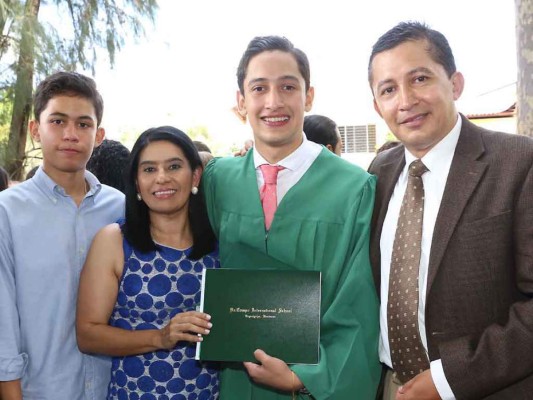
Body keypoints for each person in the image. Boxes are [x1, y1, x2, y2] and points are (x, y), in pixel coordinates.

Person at [203, 35, 381, 399]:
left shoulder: (353, 188)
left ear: (308, 96)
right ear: (241, 102)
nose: (273, 102)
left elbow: (359, 301)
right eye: (259, 88)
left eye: (288, 86)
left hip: (313, 382)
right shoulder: (218, 180)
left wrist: (306, 378)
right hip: (231, 383)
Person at [367, 21, 533, 400]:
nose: (406, 100)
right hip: (391, 386)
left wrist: (449, 379)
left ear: (454, 83)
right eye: (389, 89)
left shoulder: (520, 163)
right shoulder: (380, 172)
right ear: (378, 106)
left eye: (420, 78)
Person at [0, 71, 124, 399]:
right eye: (57, 121)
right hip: (38, 389)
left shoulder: (121, 207)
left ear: (98, 136)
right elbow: (2, 317)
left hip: (113, 387)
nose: (71, 134)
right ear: (34, 130)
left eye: (83, 124)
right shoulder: (7, 211)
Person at [76, 126, 220, 399]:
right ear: (137, 183)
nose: (162, 178)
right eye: (149, 169)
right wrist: (160, 337)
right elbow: (88, 334)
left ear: (195, 176)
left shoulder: (219, 244)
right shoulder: (115, 241)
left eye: (174, 166)